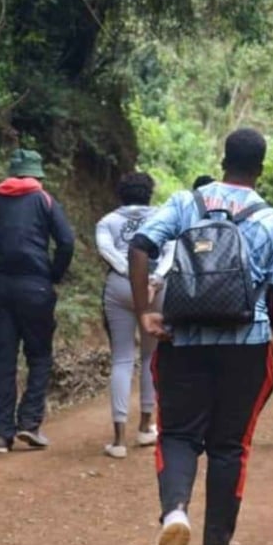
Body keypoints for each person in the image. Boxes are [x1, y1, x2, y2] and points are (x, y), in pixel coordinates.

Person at [128, 129, 273, 545]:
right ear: (261, 169)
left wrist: (144, 314)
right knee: (230, 447)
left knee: (177, 434)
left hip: (182, 340)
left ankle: (175, 512)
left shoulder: (186, 204)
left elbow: (139, 246)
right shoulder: (272, 221)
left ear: (222, 158)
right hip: (245, 347)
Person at [0, 148, 76, 453]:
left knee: (2, 360)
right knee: (39, 356)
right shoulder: (44, 200)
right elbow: (66, 242)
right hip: (35, 289)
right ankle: (29, 423)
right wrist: (52, 275)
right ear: (36, 174)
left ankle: (1, 434)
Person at [95, 172, 174, 459]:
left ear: (121, 194)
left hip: (119, 286)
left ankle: (118, 439)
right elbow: (170, 252)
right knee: (151, 357)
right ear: (149, 193)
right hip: (157, 288)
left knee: (122, 357)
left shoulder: (107, 221)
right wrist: (153, 279)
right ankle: (145, 426)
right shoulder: (163, 217)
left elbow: (106, 250)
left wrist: (131, 275)